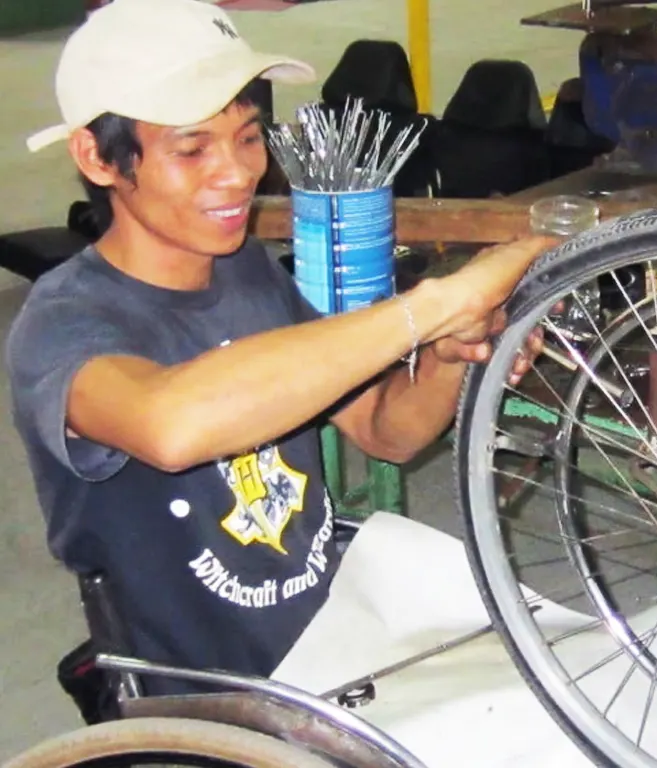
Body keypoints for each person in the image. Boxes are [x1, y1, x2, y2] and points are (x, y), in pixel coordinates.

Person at [6, 0, 554, 696]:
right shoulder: (63, 323)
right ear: (97, 157)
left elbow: (386, 431)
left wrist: (449, 357)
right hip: (214, 701)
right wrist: (435, 303)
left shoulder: (249, 270)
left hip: (337, 647)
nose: (239, 173)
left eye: (247, 137)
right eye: (191, 150)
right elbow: (170, 425)